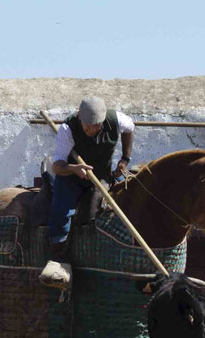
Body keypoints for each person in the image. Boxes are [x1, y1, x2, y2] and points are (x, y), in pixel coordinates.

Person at [39, 96, 135, 289]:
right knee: (61, 210)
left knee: (96, 211)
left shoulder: (117, 120)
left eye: (96, 126)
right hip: (71, 175)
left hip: (100, 176)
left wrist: (125, 158)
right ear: (79, 117)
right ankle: (58, 258)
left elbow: (130, 129)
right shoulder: (67, 129)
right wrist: (74, 169)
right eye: (87, 126)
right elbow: (57, 166)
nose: (91, 130)